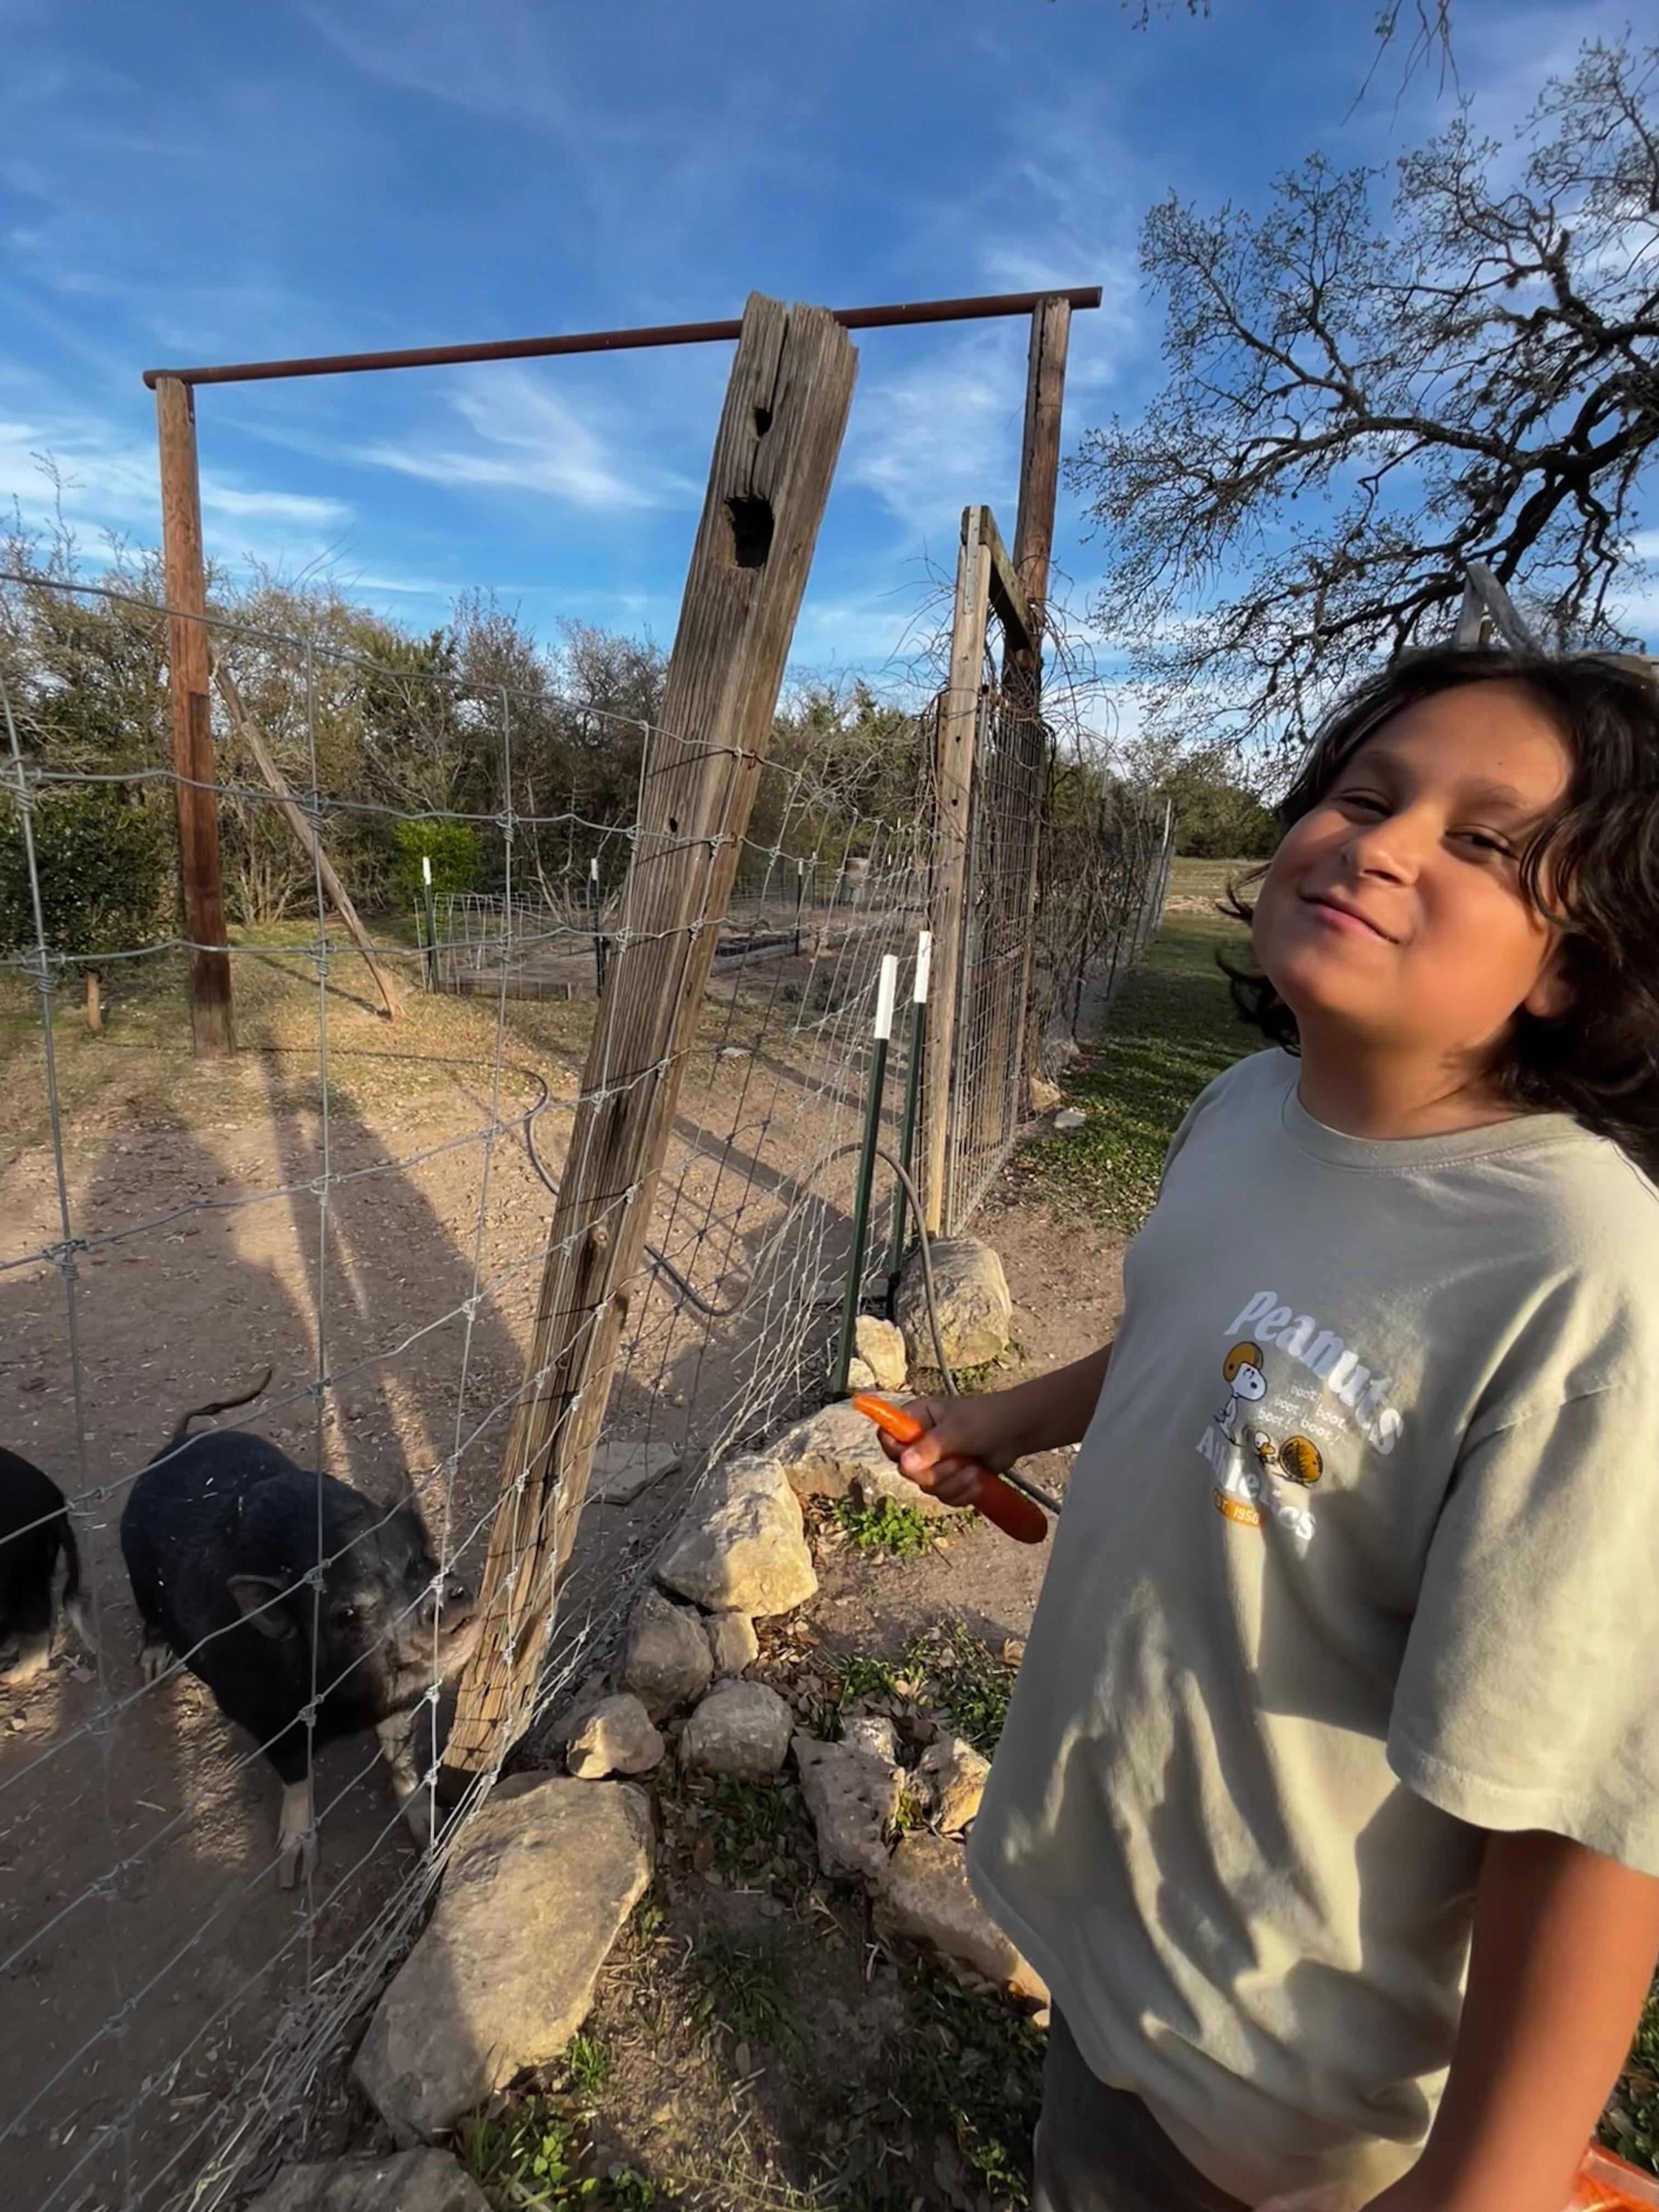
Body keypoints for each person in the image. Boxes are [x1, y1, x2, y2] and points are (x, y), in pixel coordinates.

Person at [882, 645, 1659, 2212]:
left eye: (1481, 840)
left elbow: (1591, 1820)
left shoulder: (1581, 1277)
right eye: (1366, 794)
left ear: (1576, 965)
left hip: (1276, 2090)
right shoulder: (1246, 1110)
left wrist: (1485, 2187)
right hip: (1115, 1937)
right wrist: (1008, 1412)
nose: (1382, 841)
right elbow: (1204, 1333)